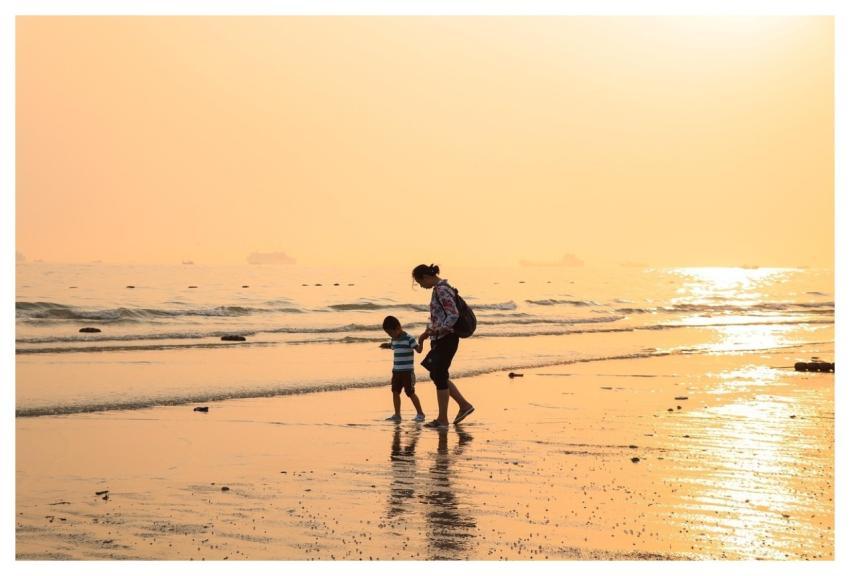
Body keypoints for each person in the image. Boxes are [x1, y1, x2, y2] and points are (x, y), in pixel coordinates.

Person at [412, 264, 475, 429]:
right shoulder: (441, 288)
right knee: (436, 374)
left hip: (447, 337)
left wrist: (440, 329)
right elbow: (441, 314)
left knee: (439, 375)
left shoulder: (441, 290)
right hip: (442, 337)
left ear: (426, 277)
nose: (421, 286)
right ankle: (464, 405)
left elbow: (453, 314)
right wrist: (431, 331)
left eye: (420, 283)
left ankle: (442, 419)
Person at [380, 315, 426, 422]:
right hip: (396, 371)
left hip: (407, 371)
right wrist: (386, 345)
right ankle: (397, 414)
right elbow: (392, 346)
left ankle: (420, 413)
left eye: (391, 333)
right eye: (388, 334)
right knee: (395, 391)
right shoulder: (394, 340)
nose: (391, 335)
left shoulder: (409, 338)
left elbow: (418, 350)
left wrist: (422, 340)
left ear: (398, 327)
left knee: (410, 392)